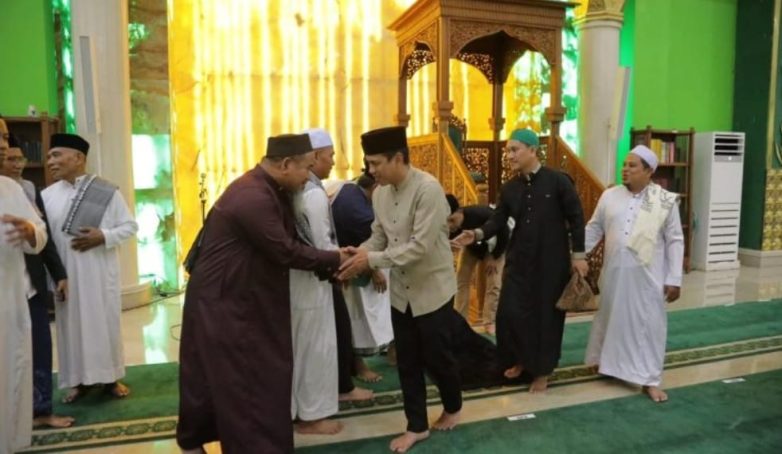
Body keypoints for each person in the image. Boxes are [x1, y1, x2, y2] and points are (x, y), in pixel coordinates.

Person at [177, 133, 346, 454]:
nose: (309, 176)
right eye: (306, 168)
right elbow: (285, 250)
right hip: (226, 303)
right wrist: (336, 258)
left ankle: (194, 443)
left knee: (214, 376)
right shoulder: (253, 196)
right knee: (247, 382)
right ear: (286, 164)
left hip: (233, 297)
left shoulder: (267, 188)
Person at [338, 126, 462, 453]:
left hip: (433, 291)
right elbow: (378, 237)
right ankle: (416, 426)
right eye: (368, 163)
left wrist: (369, 260)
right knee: (406, 360)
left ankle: (453, 405)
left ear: (398, 158)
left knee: (438, 358)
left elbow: (418, 248)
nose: (371, 170)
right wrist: (358, 253)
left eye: (376, 163)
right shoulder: (380, 193)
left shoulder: (428, 190)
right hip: (402, 295)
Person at [452, 128, 588, 393]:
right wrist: (476, 234)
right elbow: (497, 220)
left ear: (533, 150)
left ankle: (542, 370)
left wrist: (579, 256)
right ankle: (519, 360)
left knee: (545, 318)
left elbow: (576, 217)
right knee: (510, 313)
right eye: (508, 151)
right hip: (519, 261)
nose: (509, 155)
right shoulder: (510, 188)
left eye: (514, 150)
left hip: (551, 263)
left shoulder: (557, 182)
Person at [41, 133, 138, 402]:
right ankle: (78, 381)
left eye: (56, 155)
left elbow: (130, 226)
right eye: (48, 157)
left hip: (99, 274)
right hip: (67, 278)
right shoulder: (46, 196)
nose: (50, 162)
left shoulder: (106, 192)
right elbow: (46, 242)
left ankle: (110, 378)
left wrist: (103, 236)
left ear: (78, 158)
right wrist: (52, 278)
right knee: (71, 329)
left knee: (104, 325)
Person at [583, 145, 684, 403]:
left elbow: (675, 240)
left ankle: (650, 380)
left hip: (648, 278)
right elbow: (594, 229)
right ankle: (608, 365)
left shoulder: (663, 200)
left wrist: (674, 278)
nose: (625, 169)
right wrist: (577, 255)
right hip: (614, 274)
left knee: (648, 326)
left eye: (632, 165)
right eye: (624, 165)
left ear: (649, 171)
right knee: (611, 319)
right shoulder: (610, 196)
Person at [0, 137, 73, 427]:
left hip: (29, 287)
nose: (16, 163)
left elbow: (43, 236)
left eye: (18, 158)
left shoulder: (22, 190)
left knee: (38, 350)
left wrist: (59, 273)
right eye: (10, 158)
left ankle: (41, 412)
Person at [329, 173, 394, 382]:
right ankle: (358, 366)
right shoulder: (355, 208)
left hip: (361, 262)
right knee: (356, 316)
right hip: (350, 266)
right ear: (375, 187)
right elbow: (362, 240)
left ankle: (392, 352)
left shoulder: (351, 192)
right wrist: (374, 270)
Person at [0, 175, 47, 453]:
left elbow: (39, 233)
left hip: (9, 300)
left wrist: (30, 231)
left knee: (9, 371)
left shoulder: (9, 188)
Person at [446, 194, 509, 334]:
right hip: (472, 248)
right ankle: (460, 321)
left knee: (494, 283)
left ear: (459, 211)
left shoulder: (480, 214)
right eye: (447, 221)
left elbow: (503, 231)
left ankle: (489, 322)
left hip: (495, 246)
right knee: (461, 280)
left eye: (452, 220)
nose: (450, 225)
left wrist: (495, 256)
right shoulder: (450, 227)